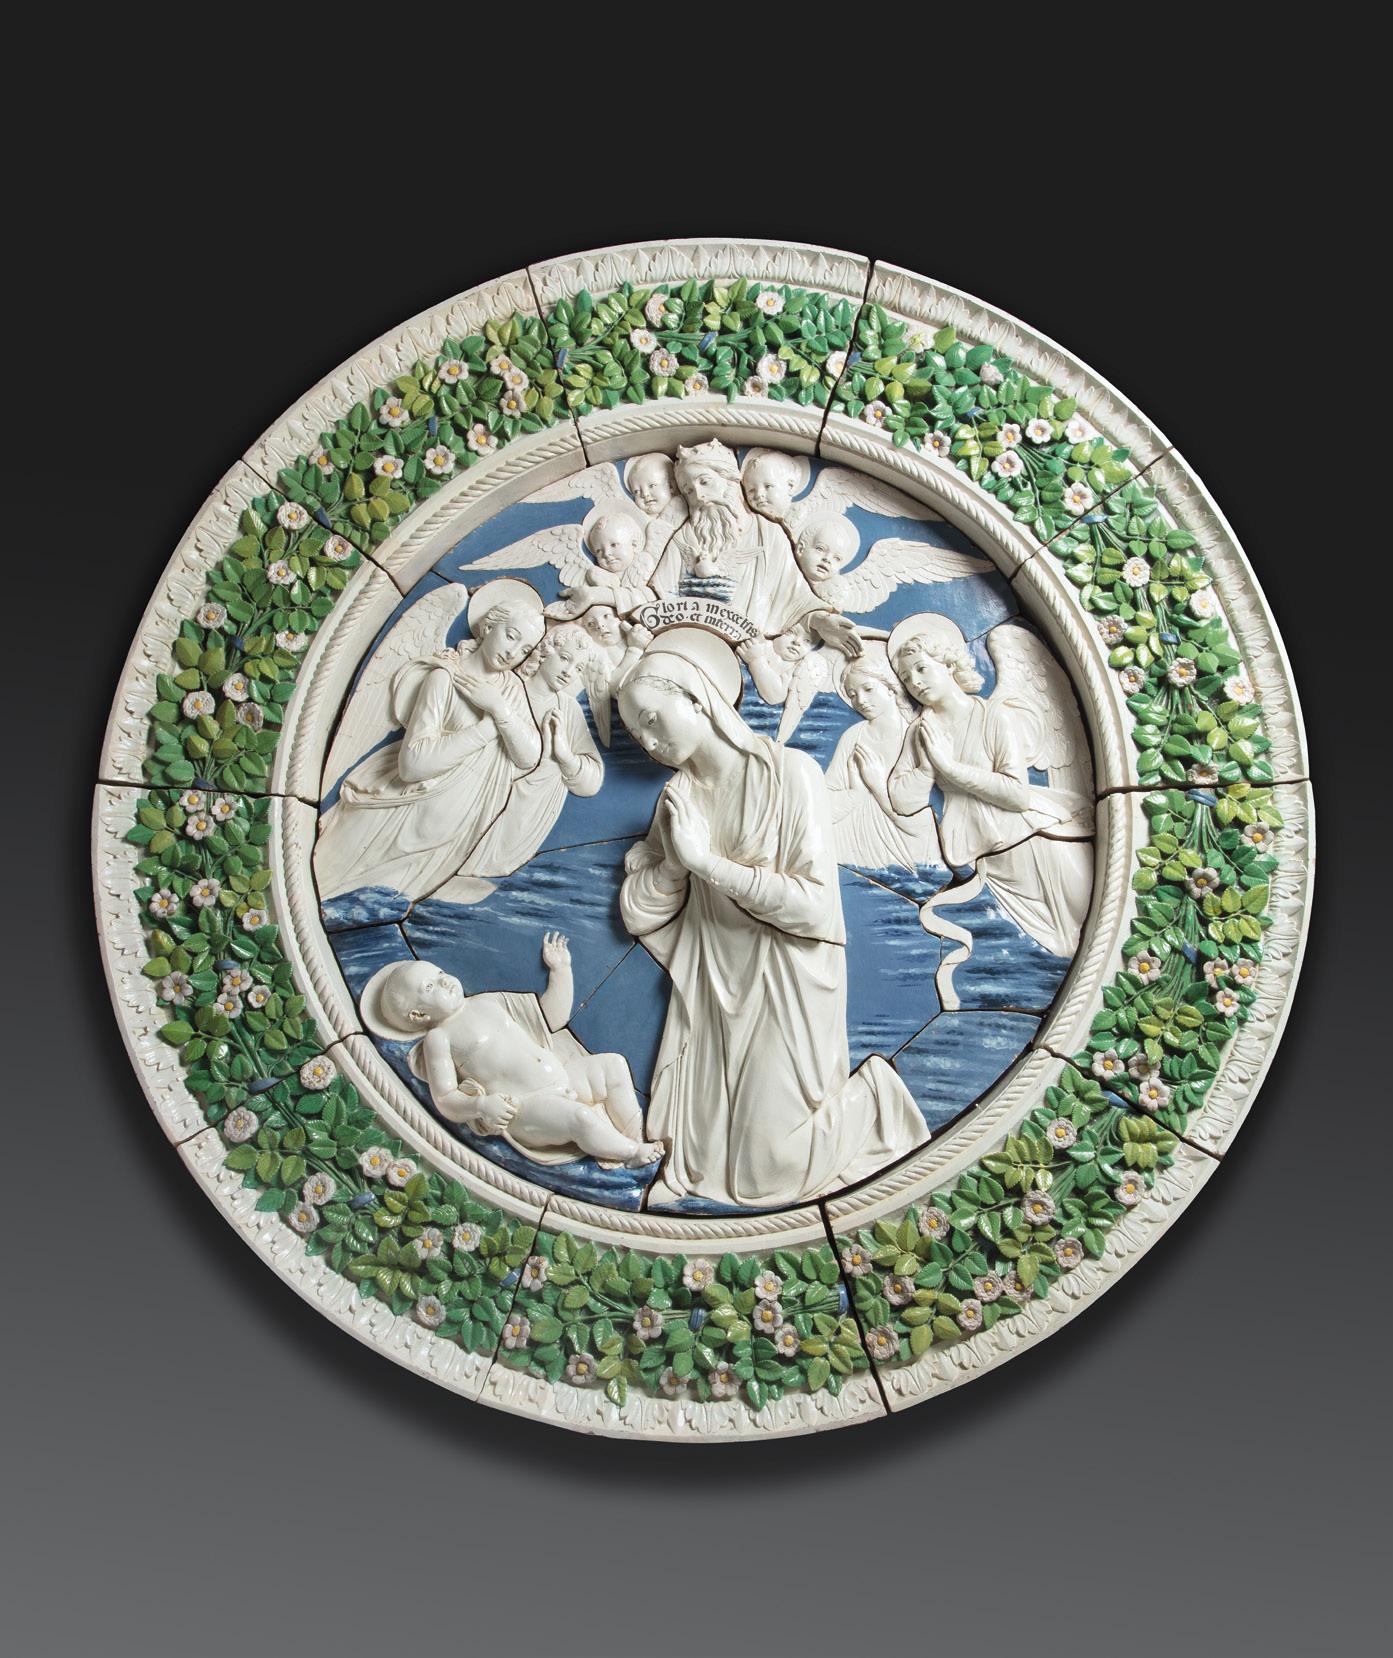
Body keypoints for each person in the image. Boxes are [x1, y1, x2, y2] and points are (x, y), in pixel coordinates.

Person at [616, 627, 927, 1208]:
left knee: (768, 1171)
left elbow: (813, 907)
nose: (650, 742)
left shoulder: (790, 773)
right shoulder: (677, 800)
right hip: (712, 989)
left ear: (697, 697)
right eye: (637, 734)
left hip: (787, 980)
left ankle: (876, 1098)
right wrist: (676, 867)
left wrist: (707, 864)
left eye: (653, 719)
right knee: (707, 1163)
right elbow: (638, 912)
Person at [314, 581, 545, 902]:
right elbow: (413, 765)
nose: (513, 652)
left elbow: (528, 757)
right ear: (488, 626)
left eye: (525, 650)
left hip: (448, 835)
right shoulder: (444, 677)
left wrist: (499, 710)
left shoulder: (510, 690)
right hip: (398, 819)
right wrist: (485, 730)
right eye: (511, 636)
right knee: (331, 887)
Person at [886, 613, 1093, 958]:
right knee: (1050, 949)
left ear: (948, 664)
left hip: (1036, 839)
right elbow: (902, 800)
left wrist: (949, 768)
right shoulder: (921, 732)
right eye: (906, 678)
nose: (915, 683)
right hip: (986, 858)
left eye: (922, 668)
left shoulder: (995, 716)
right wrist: (926, 767)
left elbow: (1017, 794)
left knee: (1085, 924)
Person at [360, 937, 663, 1169]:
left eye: (440, 973)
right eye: (430, 987)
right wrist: (481, 1106)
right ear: (418, 1015)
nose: (444, 981)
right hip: (527, 1108)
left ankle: (634, 1138)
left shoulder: (488, 1002)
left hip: (563, 1079)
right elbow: (445, 1099)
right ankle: (631, 1153)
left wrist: (561, 971)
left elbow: (550, 1019)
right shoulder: (439, 1038)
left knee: (613, 1065)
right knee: (579, 1117)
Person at [453, 623, 604, 896]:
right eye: (565, 658)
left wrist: (566, 757)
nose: (569, 672)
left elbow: (591, 783)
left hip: (524, 829)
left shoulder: (567, 709)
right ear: (545, 652)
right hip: (482, 805)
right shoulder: (506, 688)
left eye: (578, 668)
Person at [824, 646, 943, 872]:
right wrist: (855, 793)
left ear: (890, 688)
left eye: (868, 689)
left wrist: (877, 784)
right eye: (852, 695)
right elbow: (826, 797)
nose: (860, 700)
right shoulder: (853, 736)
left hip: (908, 843)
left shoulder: (916, 734)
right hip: (854, 839)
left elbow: (924, 814)